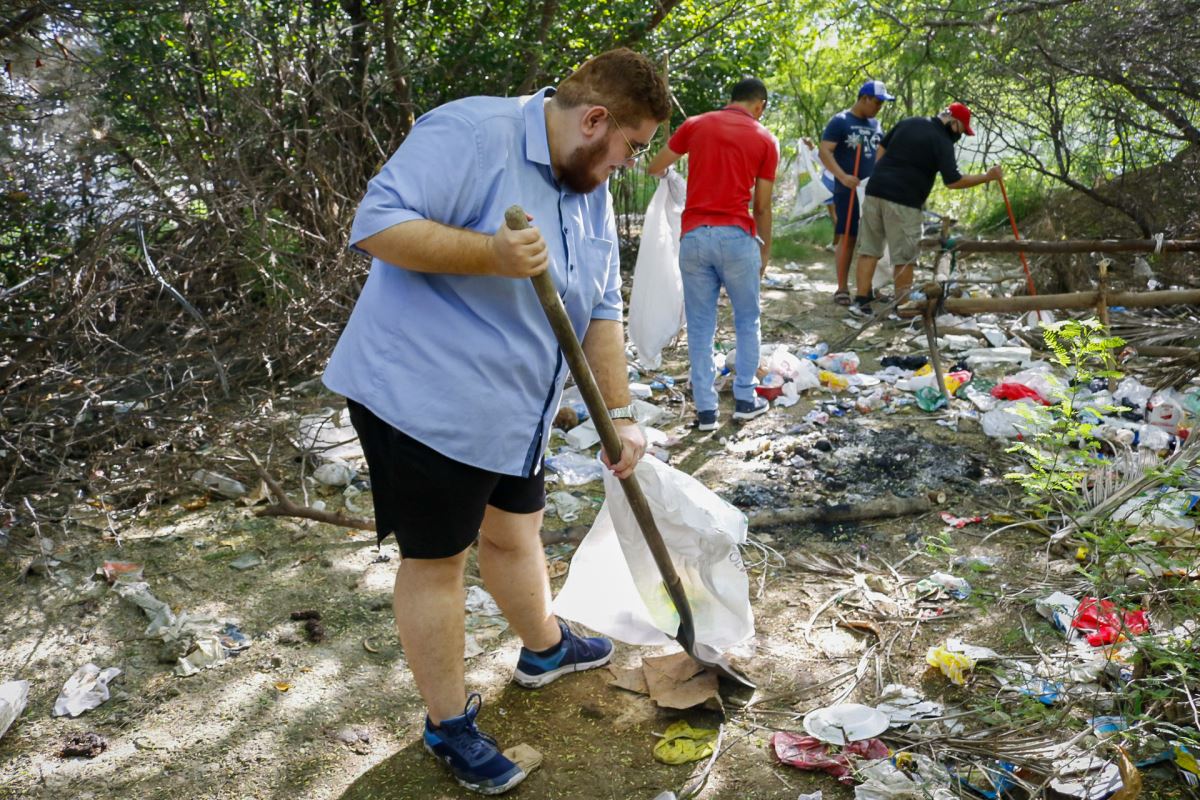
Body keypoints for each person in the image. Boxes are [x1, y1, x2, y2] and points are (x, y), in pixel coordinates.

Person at [321, 48, 670, 795]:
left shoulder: (588, 183)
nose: (630, 164)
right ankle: (447, 724)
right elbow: (376, 225)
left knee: (515, 529)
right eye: (630, 147)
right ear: (596, 120)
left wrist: (620, 413)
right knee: (438, 559)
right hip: (424, 397)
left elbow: (602, 305)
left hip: (517, 404)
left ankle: (543, 648)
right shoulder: (472, 132)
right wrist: (491, 254)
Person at [645, 77, 779, 431]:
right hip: (736, 238)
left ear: (730, 100)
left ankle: (706, 412)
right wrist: (763, 253)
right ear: (759, 105)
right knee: (747, 320)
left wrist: (672, 175)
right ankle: (745, 400)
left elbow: (655, 166)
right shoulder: (766, 139)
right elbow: (761, 206)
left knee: (701, 327)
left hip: (694, 239)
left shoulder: (696, 125)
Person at [849, 102, 1003, 317]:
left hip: (874, 192)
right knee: (904, 257)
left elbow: (882, 147)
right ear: (953, 122)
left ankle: (860, 302)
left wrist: (884, 173)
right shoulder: (942, 141)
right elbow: (953, 181)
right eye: (961, 130)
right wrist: (987, 177)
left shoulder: (909, 122)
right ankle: (902, 308)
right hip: (904, 201)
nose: (959, 135)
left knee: (869, 250)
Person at [818, 80, 894, 305]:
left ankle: (870, 286)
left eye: (882, 103)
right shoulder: (840, 121)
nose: (879, 107)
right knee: (848, 235)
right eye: (877, 102)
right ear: (864, 98)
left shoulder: (876, 124)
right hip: (848, 189)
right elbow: (825, 151)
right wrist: (842, 176)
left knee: (874, 238)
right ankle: (841, 288)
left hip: (872, 190)